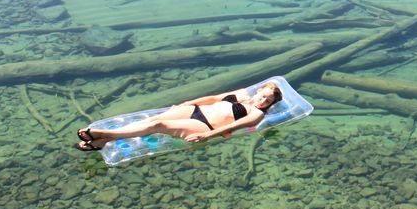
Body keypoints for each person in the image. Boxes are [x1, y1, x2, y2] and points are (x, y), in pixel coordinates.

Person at [75, 82, 283, 151]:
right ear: (259, 91)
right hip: (195, 110)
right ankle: (103, 141)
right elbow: (213, 98)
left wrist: (207, 137)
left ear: (270, 104)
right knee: (150, 121)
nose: (263, 101)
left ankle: (105, 134)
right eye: (263, 96)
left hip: (206, 126)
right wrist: (190, 103)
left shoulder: (256, 114)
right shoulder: (243, 94)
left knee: (157, 124)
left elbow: (232, 128)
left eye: (268, 101)